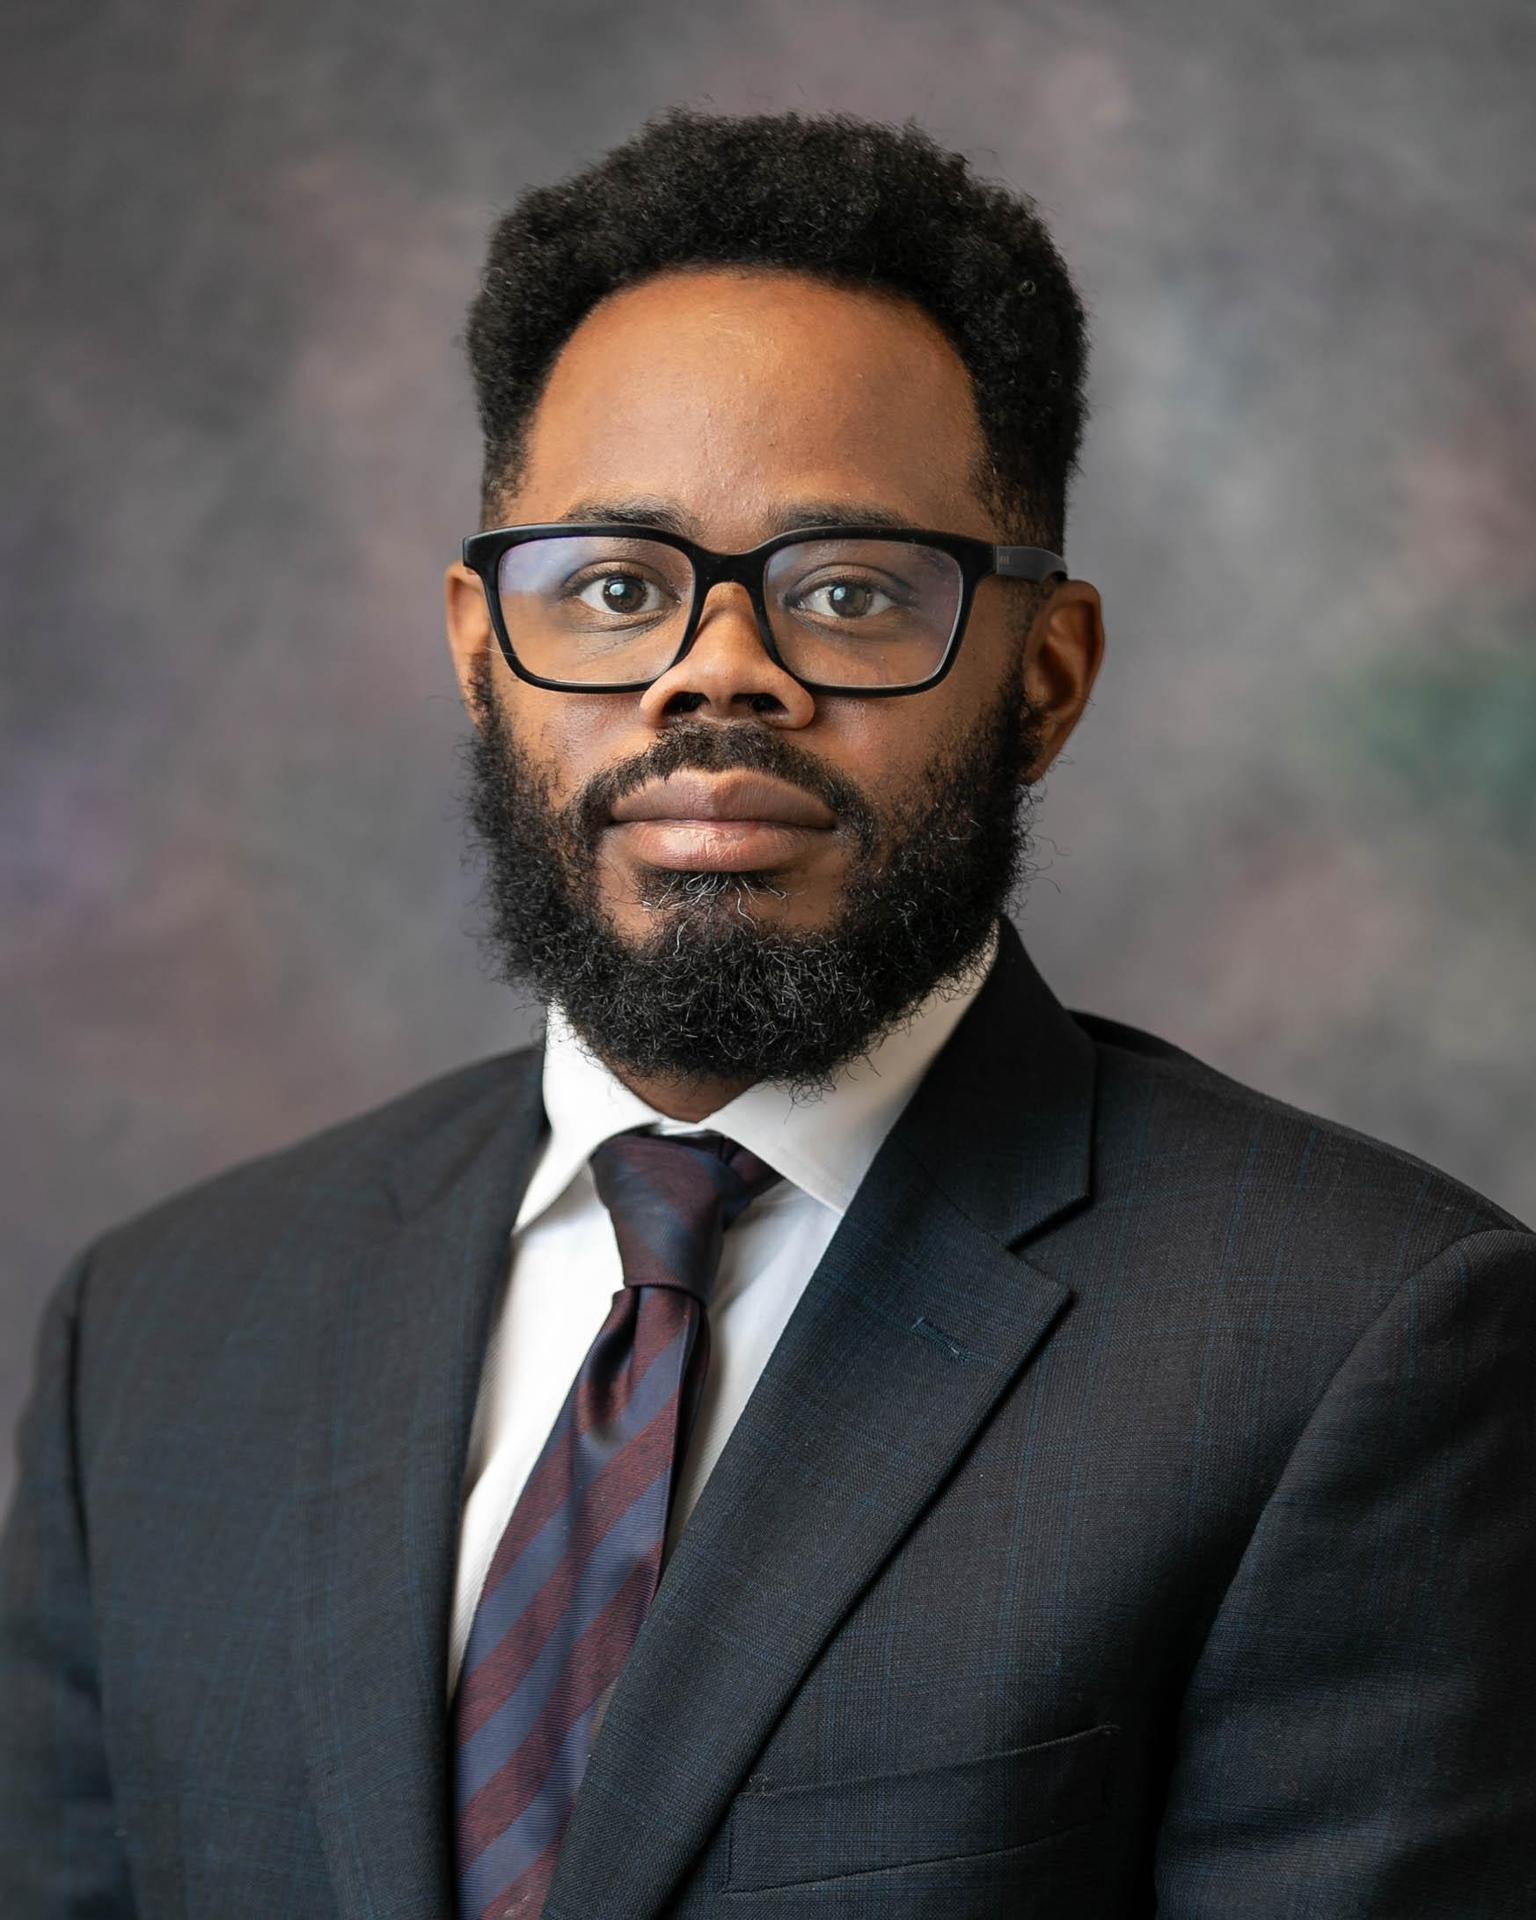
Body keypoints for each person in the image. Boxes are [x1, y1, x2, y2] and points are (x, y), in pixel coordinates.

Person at [2, 106, 1532, 1920]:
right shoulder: (163, 1334)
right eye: (617, 588)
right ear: (482, 656)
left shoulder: (1358, 1347)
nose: (716, 670)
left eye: (851, 591)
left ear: (1043, 682)